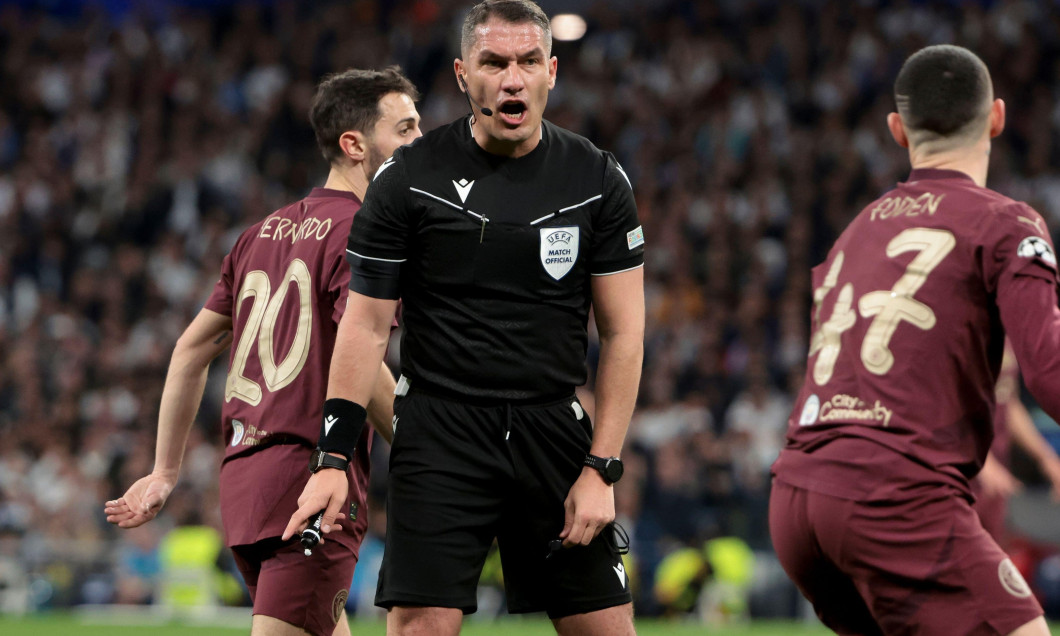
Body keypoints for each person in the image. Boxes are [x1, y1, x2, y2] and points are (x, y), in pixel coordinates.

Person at [282, 2, 645, 634]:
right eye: (494, 62)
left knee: (605, 629)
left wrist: (602, 468)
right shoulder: (408, 179)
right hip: (439, 429)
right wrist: (332, 459)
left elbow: (623, 333)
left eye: (529, 61)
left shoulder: (597, 178)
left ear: (551, 71)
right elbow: (365, 327)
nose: (512, 78)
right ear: (461, 73)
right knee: (421, 626)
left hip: (552, 427)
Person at [104, 67, 422, 636]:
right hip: (310, 479)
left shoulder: (260, 233)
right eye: (404, 129)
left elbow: (189, 350)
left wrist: (164, 469)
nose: (418, 142)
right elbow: (362, 355)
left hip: (246, 485)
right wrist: (430, 448)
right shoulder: (364, 230)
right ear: (355, 145)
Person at [769, 44, 1056, 636]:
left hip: (797, 498)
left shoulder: (856, 230)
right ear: (997, 118)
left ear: (897, 131)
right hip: (894, 498)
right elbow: (1049, 375)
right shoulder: (1008, 222)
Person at [973, 341, 1060, 546]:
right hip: (955, 480)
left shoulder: (1003, 334)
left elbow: (1006, 399)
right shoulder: (956, 328)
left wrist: (1047, 459)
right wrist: (978, 458)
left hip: (994, 484)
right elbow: (930, 398)